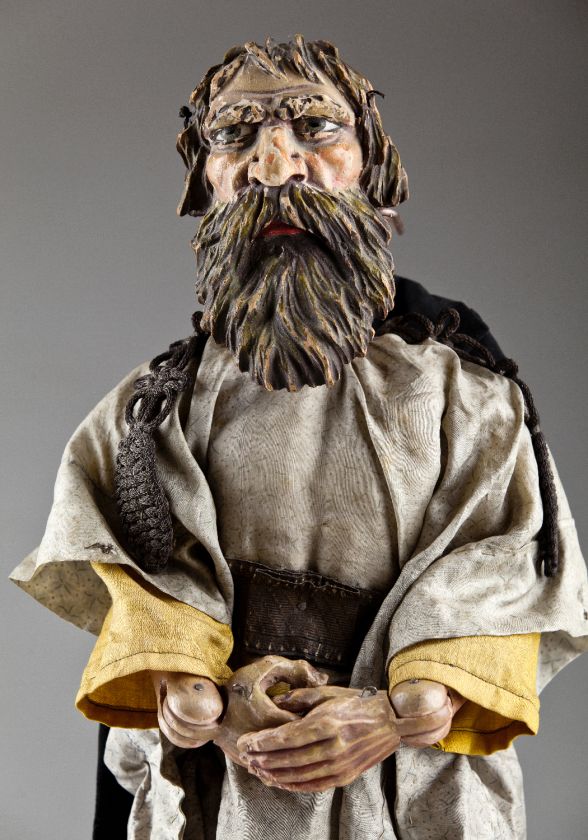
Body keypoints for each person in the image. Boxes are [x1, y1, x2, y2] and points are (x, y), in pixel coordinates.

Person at [10, 36, 587, 840]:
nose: (275, 166)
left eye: (316, 128)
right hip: (221, 786)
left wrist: (398, 710)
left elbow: (508, 563)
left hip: (406, 786)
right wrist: (194, 691)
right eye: (234, 134)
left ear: (372, 170)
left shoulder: (469, 403)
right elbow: (128, 564)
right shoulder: (155, 410)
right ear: (204, 181)